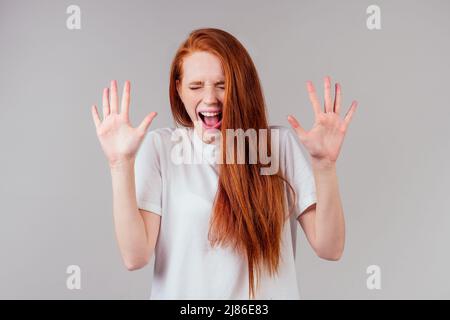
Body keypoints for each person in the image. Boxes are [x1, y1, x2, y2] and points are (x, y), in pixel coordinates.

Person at [90, 28, 357, 300]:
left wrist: (325, 166)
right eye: (196, 86)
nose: (210, 99)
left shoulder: (278, 146)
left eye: (222, 85)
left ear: (243, 88)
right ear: (179, 89)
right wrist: (119, 164)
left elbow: (330, 247)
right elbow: (135, 257)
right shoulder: (161, 148)